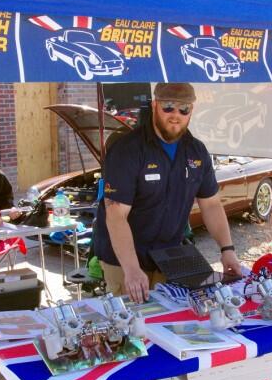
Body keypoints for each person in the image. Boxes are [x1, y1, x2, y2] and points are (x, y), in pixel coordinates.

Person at [94, 82, 242, 304]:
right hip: (124, 260)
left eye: (183, 109)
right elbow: (115, 214)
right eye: (168, 107)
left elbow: (211, 204)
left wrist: (227, 249)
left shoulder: (197, 151)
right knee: (131, 329)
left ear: (192, 110)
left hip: (168, 257)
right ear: (155, 106)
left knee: (172, 322)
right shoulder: (127, 150)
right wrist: (132, 269)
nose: (176, 115)